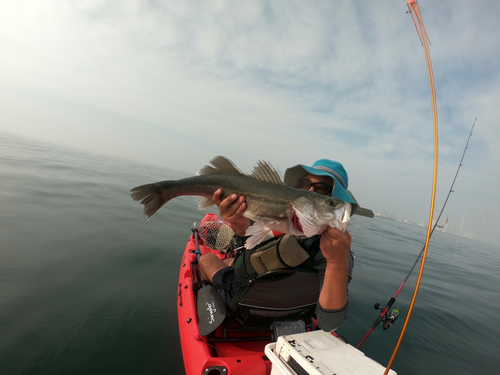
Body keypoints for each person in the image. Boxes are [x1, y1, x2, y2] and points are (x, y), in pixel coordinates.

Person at [199, 159, 359, 331]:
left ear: (336, 200)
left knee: (207, 259)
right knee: (231, 261)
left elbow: (329, 324)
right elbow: (251, 246)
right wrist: (239, 224)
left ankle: (211, 301)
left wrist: (337, 264)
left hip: (240, 304)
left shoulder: (337, 256)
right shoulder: (288, 226)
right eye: (304, 184)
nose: (310, 190)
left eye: (322, 188)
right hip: (291, 315)